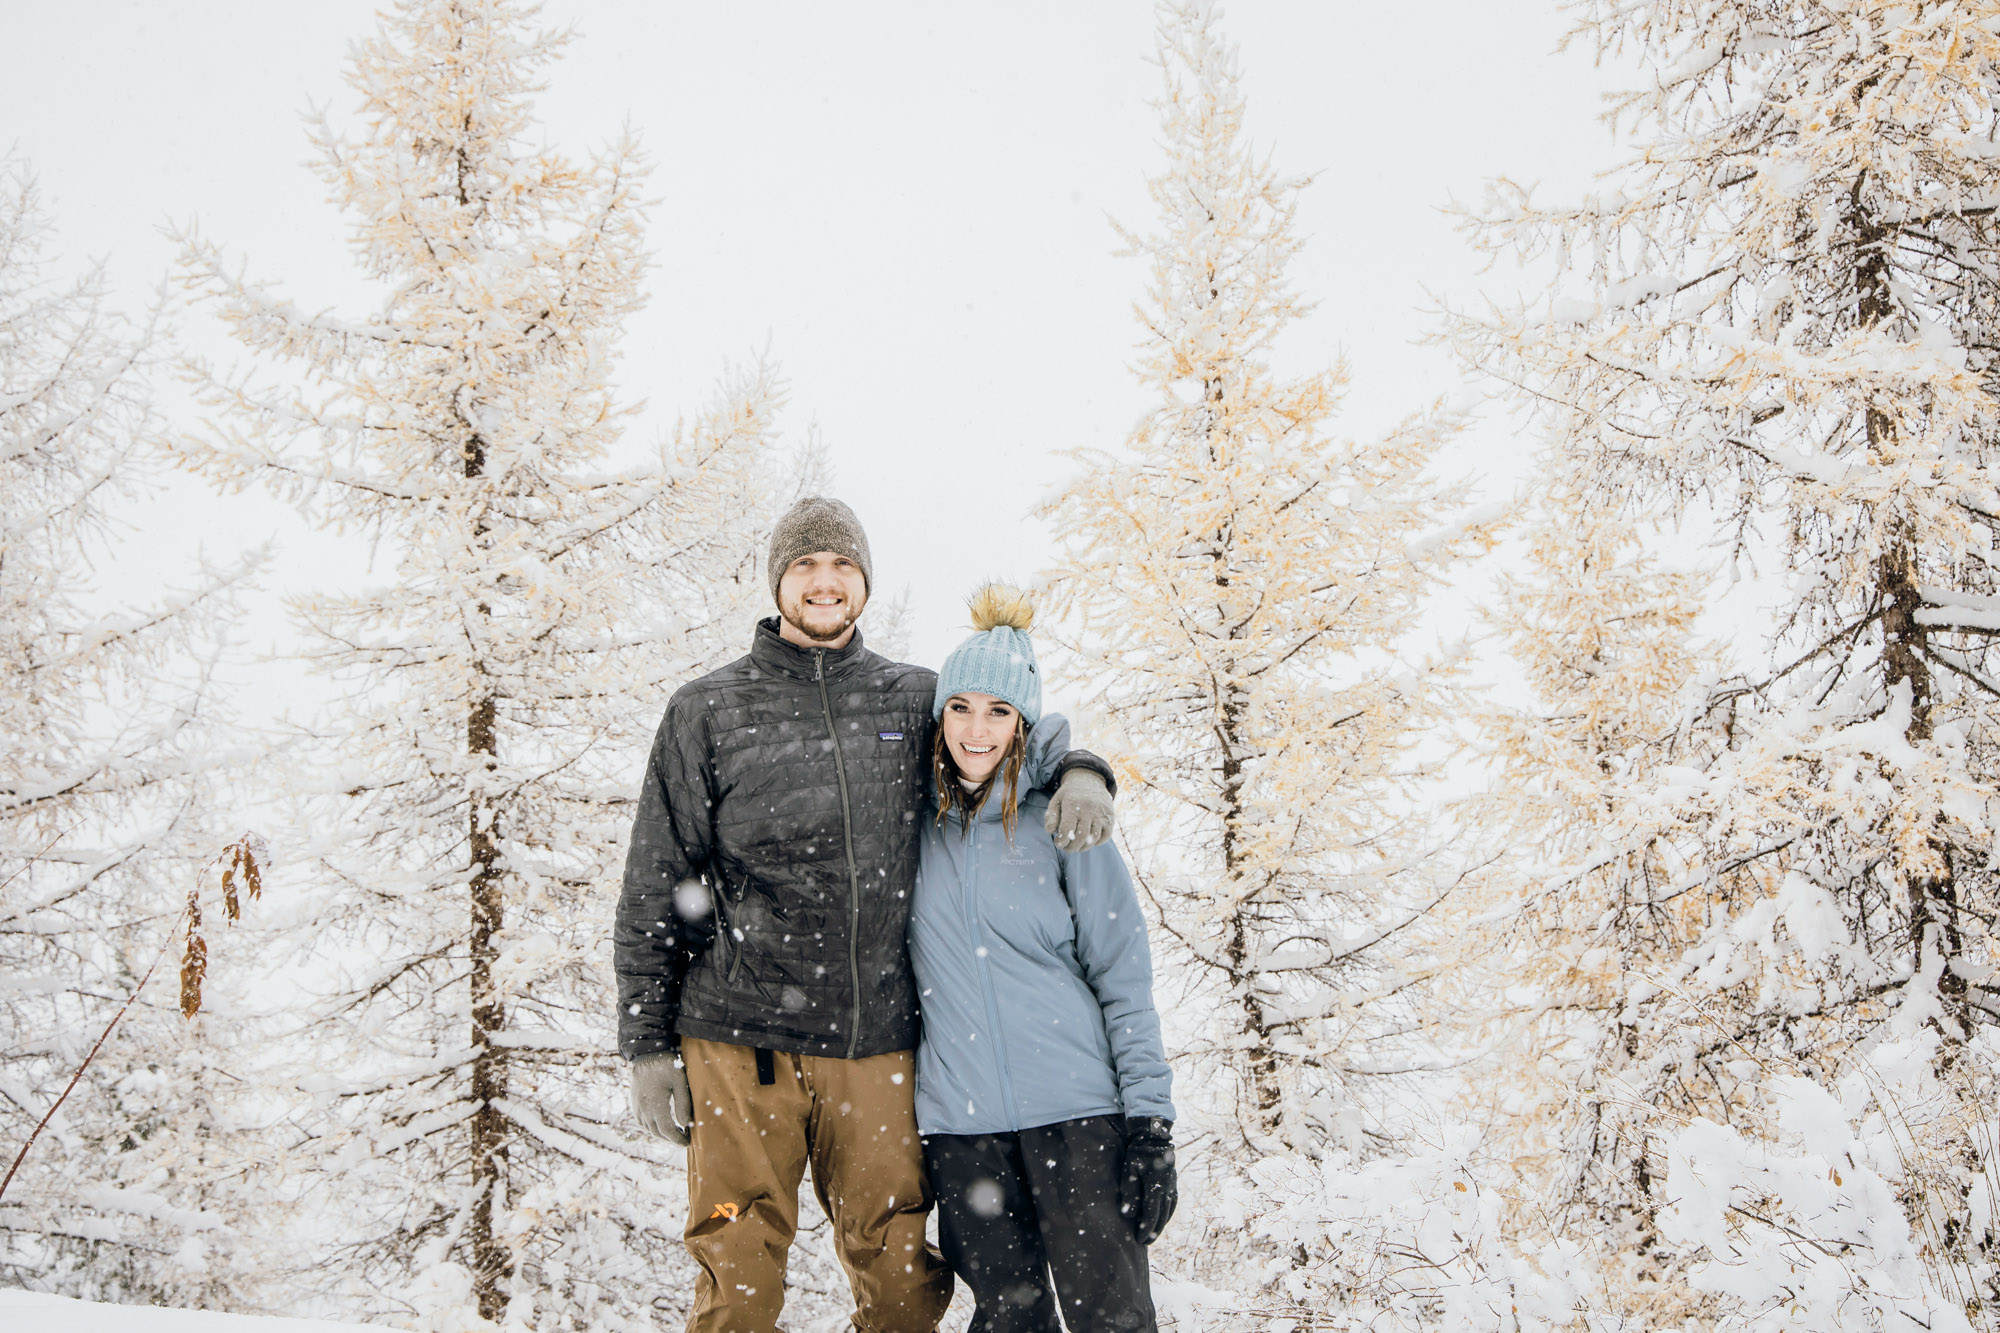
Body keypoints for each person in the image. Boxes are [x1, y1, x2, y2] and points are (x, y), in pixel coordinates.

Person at [614, 498, 1119, 1333]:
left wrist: (1083, 767)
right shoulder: (706, 710)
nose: (824, 581)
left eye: (841, 565)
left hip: (875, 1037)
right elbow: (654, 880)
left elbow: (1002, 725)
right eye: (806, 565)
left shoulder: (912, 698)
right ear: (779, 580)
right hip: (741, 1040)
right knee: (737, 1270)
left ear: (864, 582)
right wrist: (647, 1045)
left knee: (901, 1274)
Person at [909, 585, 1176, 1333]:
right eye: (960, 705)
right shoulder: (912, 826)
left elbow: (1124, 980)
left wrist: (1151, 1122)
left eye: (999, 710)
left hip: (1081, 1121)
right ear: (940, 714)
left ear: (1023, 719)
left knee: (1112, 1320)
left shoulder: (1063, 822)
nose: (977, 728)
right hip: (964, 1133)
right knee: (1007, 1320)